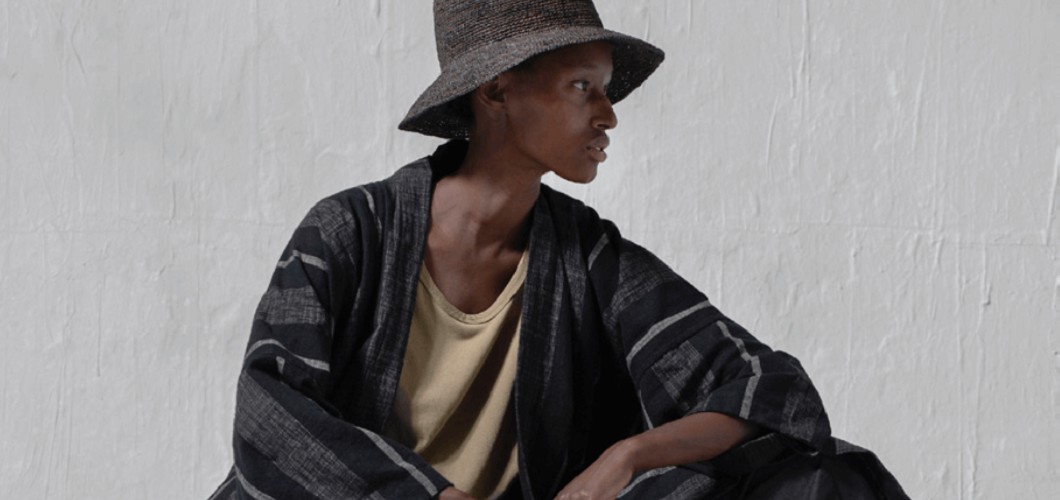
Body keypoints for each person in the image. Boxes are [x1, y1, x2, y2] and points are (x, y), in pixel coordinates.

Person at [210, 1, 908, 499]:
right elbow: (269, 414)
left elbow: (768, 387)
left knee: (828, 478)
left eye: (605, 90)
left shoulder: (588, 257)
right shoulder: (349, 231)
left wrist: (629, 456)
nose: (608, 115)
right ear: (497, 92)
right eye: (583, 88)